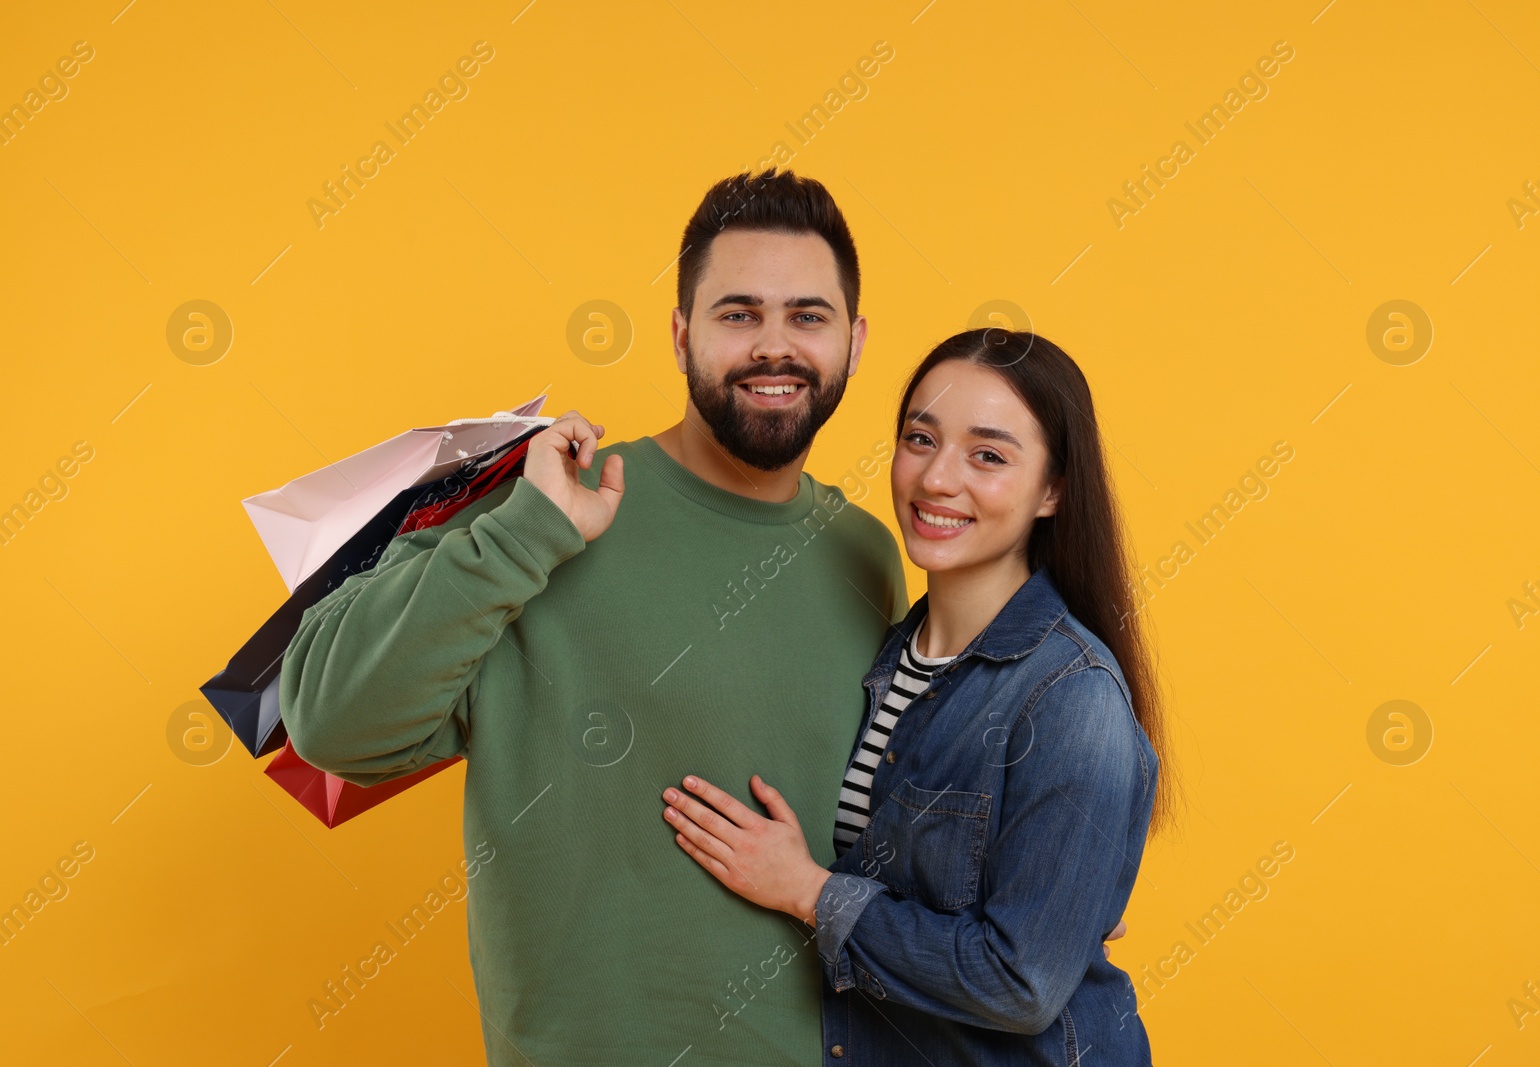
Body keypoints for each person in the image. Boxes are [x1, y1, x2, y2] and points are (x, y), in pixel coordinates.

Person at [279, 170, 910, 1066]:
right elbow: (334, 724)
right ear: (682, 334)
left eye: (808, 316)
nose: (776, 346)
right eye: (738, 314)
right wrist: (524, 535)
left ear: (854, 338)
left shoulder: (870, 554)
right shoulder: (553, 507)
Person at [660, 328, 1173, 1065]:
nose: (937, 479)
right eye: (920, 438)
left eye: (988, 455)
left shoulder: (1069, 694)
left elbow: (1021, 982)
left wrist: (807, 889)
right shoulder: (888, 656)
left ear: (1053, 489)